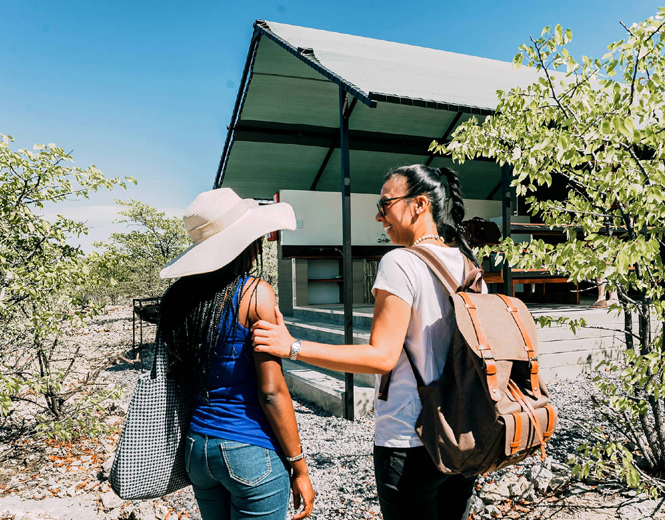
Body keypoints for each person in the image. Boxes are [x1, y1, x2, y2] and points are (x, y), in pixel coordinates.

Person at [252, 165, 486, 520]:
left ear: (420, 204)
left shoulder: (400, 262)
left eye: (386, 203)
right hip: (464, 434)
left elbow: (381, 357)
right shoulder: (469, 267)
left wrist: (292, 347)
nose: (379, 216)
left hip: (411, 440)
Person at [158, 188, 315, 520]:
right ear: (248, 243)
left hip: (197, 449)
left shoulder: (178, 300)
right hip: (248, 449)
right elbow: (272, 392)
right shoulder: (255, 293)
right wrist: (299, 467)